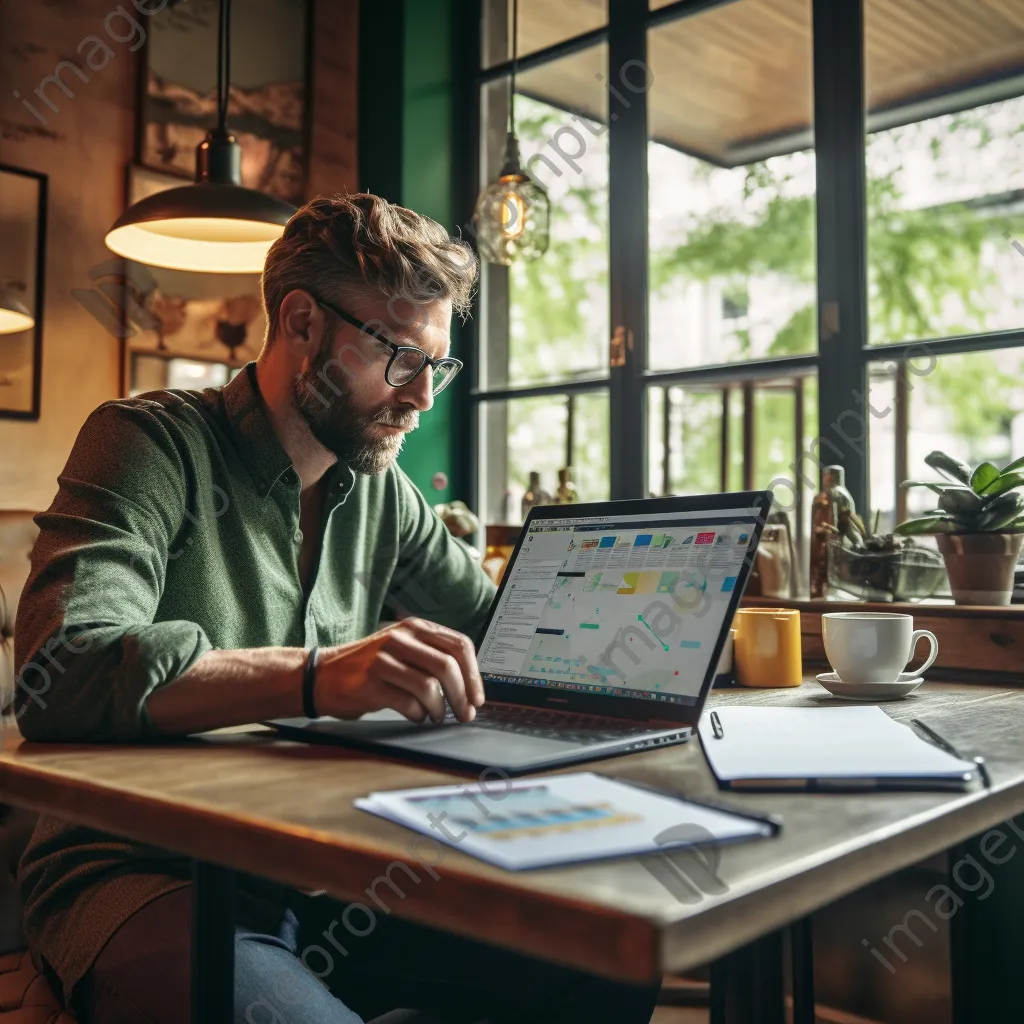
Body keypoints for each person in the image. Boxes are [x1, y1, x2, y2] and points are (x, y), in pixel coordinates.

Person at [12, 193, 660, 1024]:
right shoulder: (148, 443)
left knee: (609, 956)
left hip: (332, 872)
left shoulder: (382, 495)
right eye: (399, 357)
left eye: (440, 365)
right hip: (143, 878)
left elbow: (501, 639)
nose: (424, 397)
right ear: (302, 323)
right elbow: (60, 671)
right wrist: (316, 677)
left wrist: (640, 646)